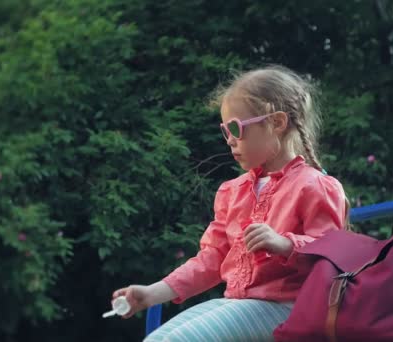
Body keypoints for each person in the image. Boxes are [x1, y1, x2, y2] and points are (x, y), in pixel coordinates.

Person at [111, 65, 349, 341]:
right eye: (225, 131)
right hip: (242, 305)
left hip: (291, 309)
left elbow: (333, 257)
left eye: (237, 128)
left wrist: (285, 245)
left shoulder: (315, 185)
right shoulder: (233, 191)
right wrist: (152, 293)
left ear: (277, 122)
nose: (230, 141)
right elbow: (210, 260)